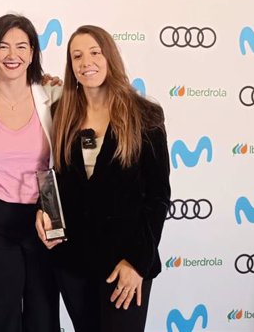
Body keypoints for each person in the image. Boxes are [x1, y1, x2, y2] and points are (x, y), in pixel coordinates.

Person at [36, 25, 170, 332]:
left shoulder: (145, 114)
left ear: (110, 57)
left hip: (124, 265)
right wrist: (44, 210)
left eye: (95, 53)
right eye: (77, 56)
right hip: (74, 262)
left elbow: (158, 195)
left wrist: (137, 263)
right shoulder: (61, 113)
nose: (86, 63)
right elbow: (56, 177)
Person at [0, 14, 61, 332]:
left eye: (21, 46)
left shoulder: (54, 97)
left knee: (44, 316)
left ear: (33, 53)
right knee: (2, 317)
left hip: (46, 215)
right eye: (3, 46)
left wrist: (49, 211)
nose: (12, 55)